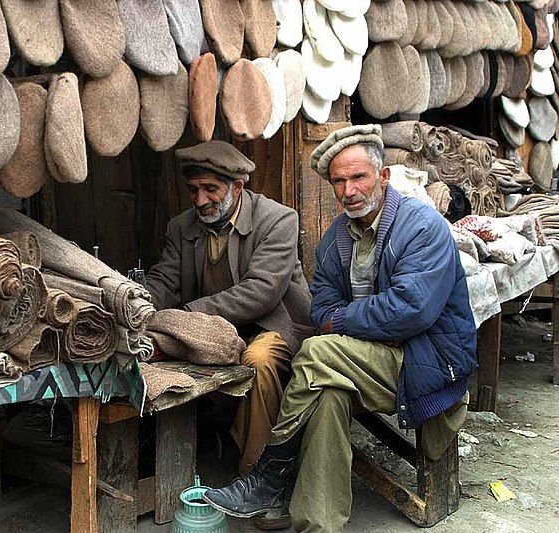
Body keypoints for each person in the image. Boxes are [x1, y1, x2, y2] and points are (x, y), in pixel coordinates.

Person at [203, 125, 478, 532]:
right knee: (327, 391)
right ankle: (317, 524)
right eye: (338, 180)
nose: (348, 190)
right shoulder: (336, 238)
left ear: (383, 177)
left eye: (358, 177)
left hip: (427, 359)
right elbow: (322, 308)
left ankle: (270, 477)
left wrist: (349, 319)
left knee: (314, 353)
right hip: (364, 360)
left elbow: (412, 311)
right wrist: (371, 322)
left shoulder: (421, 226)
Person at [145, 140, 313, 474]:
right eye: (193, 190)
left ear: (237, 187)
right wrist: (136, 304)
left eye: (210, 189)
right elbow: (164, 282)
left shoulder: (278, 219)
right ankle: (175, 459)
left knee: (258, 360)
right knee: (150, 348)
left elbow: (261, 292)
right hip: (216, 330)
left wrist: (188, 315)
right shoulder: (182, 226)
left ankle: (258, 476)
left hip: (272, 326)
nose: (200, 200)